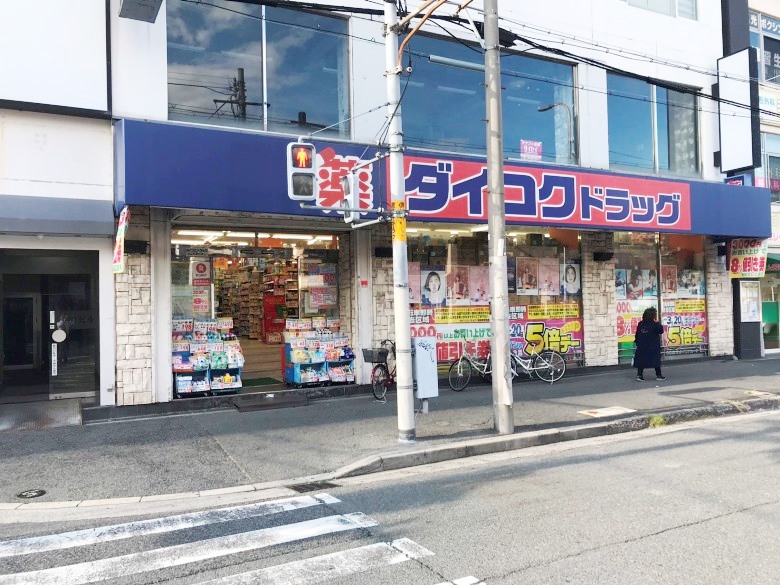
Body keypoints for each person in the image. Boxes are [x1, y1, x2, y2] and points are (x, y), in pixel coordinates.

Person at [634, 307, 666, 381]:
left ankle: (639, 375)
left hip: (642, 346)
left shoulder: (641, 323)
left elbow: (637, 334)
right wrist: (657, 322)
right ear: (653, 315)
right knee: (656, 360)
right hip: (653, 346)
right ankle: (658, 375)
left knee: (641, 360)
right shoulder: (654, 324)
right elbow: (660, 331)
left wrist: (637, 342)